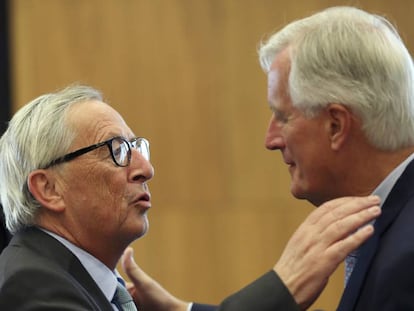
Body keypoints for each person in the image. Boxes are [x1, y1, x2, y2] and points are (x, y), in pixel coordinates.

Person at [122, 5, 414, 311]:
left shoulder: (406, 258)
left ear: (336, 125)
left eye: (282, 117)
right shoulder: (392, 224)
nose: (270, 140)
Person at [0, 84, 380, 310]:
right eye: (116, 150)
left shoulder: (72, 278)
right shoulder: (31, 285)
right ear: (48, 188)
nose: (145, 169)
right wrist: (283, 288)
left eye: (138, 148)